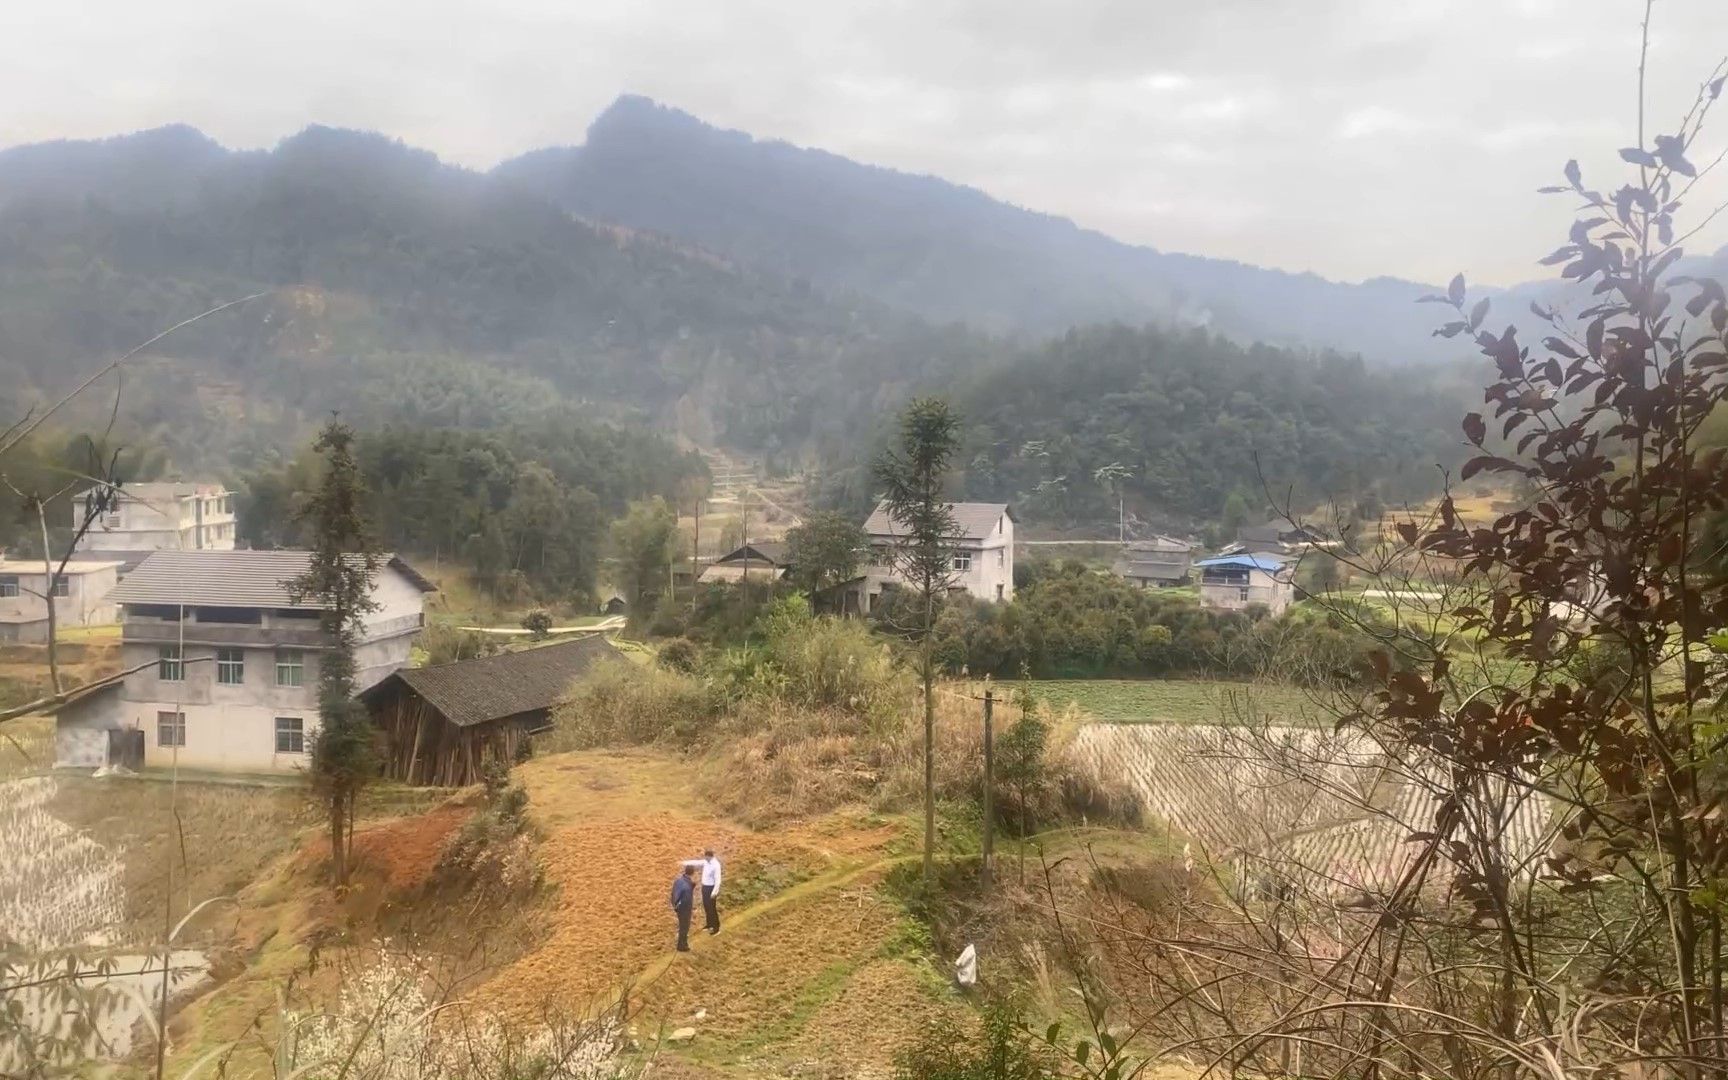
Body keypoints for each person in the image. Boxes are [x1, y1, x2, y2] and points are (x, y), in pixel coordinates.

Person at [669, 864, 696, 952]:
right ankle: (682, 945)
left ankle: (683, 943)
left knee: (682, 925)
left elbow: (674, 893)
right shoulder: (687, 886)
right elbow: (687, 898)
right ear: (692, 873)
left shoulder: (678, 881)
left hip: (678, 907)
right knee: (685, 926)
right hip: (685, 908)